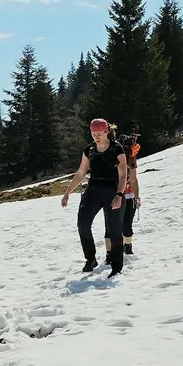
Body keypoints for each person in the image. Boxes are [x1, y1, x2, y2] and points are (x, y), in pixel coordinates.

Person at [61, 118, 129, 276]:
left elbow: (123, 173)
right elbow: (80, 173)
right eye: (93, 134)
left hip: (113, 190)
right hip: (93, 190)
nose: (96, 137)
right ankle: (90, 258)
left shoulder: (117, 149)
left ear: (107, 132)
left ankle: (117, 267)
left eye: (99, 134)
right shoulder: (89, 150)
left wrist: (119, 194)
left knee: (114, 230)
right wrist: (67, 193)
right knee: (82, 224)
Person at [119, 131, 142, 255]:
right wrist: (137, 197)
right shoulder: (131, 157)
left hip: (120, 195)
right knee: (126, 224)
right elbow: (133, 179)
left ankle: (126, 245)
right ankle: (127, 246)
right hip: (128, 195)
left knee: (123, 224)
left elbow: (133, 179)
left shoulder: (117, 157)